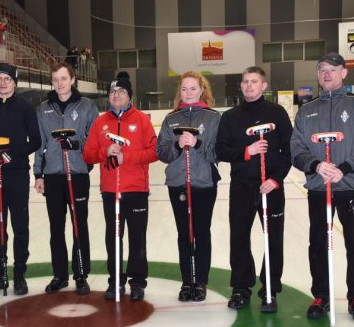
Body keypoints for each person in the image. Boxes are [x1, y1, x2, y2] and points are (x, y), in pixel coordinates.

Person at [291, 52, 354, 323]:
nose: (326, 74)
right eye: (321, 70)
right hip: (319, 187)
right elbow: (296, 150)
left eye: (332, 69)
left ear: (343, 73)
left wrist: (344, 169)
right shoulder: (306, 111)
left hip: (351, 186)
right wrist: (317, 165)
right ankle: (321, 295)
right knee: (318, 242)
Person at [215, 66, 292, 313]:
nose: (249, 85)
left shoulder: (277, 113)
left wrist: (276, 179)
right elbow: (221, 150)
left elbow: (289, 151)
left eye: (254, 81)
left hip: (270, 188)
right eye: (245, 81)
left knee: (273, 239)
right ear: (241, 85)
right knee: (239, 239)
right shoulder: (230, 117)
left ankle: (270, 288)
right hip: (241, 187)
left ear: (264, 85)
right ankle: (241, 287)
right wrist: (246, 153)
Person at [83, 71, 158, 301]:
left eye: (121, 91)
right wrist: (103, 152)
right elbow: (87, 155)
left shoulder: (142, 120)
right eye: (113, 92)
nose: (116, 95)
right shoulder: (100, 122)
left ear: (129, 95)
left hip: (135, 189)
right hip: (110, 191)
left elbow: (154, 152)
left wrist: (127, 158)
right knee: (113, 237)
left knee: (137, 237)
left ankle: (137, 281)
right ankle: (115, 279)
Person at [33, 62, 99, 295]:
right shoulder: (43, 109)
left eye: (63, 78)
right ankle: (60, 275)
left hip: (78, 175)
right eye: (55, 79)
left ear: (72, 80)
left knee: (79, 226)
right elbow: (40, 143)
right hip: (52, 176)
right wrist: (38, 174)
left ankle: (81, 274)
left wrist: (81, 154)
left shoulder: (87, 106)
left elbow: (94, 140)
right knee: (56, 228)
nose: (59, 83)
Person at [0, 63, 41, 296]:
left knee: (19, 225)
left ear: (15, 82)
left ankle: (19, 274)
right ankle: (0, 272)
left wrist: (11, 154)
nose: (3, 83)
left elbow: (35, 140)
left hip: (17, 173)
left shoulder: (25, 107)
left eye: (7, 79)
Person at [156, 71, 220, 302]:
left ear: (202, 90)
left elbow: (219, 152)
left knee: (201, 233)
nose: (189, 93)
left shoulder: (213, 118)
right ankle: (187, 281)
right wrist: (176, 145)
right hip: (178, 184)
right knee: (184, 234)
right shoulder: (171, 118)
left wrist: (197, 143)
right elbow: (161, 152)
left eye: (193, 88)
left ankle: (200, 281)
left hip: (204, 183)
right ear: (179, 92)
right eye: (184, 89)